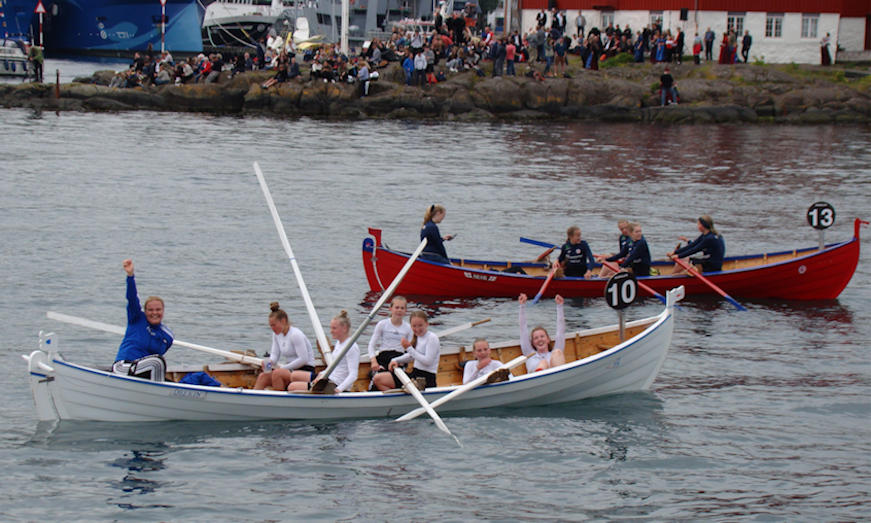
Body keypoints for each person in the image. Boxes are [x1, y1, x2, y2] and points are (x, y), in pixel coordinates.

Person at [112, 259, 173, 381]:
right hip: (123, 367)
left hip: (145, 371)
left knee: (162, 370)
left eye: (158, 310)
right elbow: (132, 298)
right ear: (145, 311)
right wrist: (130, 275)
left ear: (163, 311)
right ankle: (156, 392)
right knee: (156, 362)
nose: (154, 313)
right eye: (150, 310)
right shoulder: (137, 319)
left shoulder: (167, 336)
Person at [288, 311, 359, 394]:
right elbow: (333, 367)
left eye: (334, 328)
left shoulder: (351, 347)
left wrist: (339, 389)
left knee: (292, 387)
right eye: (331, 328)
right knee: (294, 376)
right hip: (328, 379)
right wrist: (321, 374)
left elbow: (353, 375)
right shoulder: (339, 343)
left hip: (335, 385)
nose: (331, 331)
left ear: (344, 328)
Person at [254, 302, 316, 391]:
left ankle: (279, 397)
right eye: (270, 326)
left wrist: (283, 368)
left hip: (305, 370)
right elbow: (275, 355)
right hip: (290, 369)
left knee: (277, 374)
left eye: (274, 325)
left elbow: (303, 359)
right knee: (263, 376)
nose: (272, 328)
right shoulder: (276, 335)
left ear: (283, 321)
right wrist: (269, 362)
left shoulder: (295, 334)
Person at [368, 296, 413, 391]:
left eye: (402, 308)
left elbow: (411, 351)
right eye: (397, 307)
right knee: (375, 380)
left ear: (405, 311)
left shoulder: (408, 328)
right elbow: (371, 345)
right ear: (391, 309)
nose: (399, 310)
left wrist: (400, 360)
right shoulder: (382, 324)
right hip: (383, 357)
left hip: (398, 359)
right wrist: (373, 361)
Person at [388, 310, 440, 389]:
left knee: (381, 379)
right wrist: (395, 360)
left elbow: (428, 361)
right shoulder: (418, 337)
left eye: (420, 325)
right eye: (414, 326)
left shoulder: (432, 338)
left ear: (427, 324)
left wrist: (409, 348)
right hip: (415, 374)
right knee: (380, 379)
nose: (417, 329)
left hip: (426, 379)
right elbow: (411, 356)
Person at [518, 293, 565, 373]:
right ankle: (540, 373)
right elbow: (523, 329)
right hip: (536, 379)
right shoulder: (529, 354)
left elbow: (560, 332)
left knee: (557, 352)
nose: (539, 339)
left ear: (548, 339)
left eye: (542, 336)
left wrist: (560, 306)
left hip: (556, 376)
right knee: (543, 363)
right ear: (533, 343)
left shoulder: (553, 354)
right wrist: (522, 306)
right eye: (536, 338)